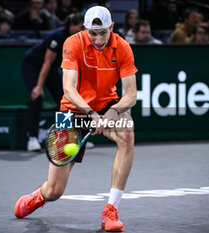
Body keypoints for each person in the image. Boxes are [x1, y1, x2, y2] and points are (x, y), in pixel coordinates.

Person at [14, 6, 138, 232]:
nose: (98, 39)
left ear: (111, 27)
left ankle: (111, 210)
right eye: (93, 33)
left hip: (106, 105)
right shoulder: (72, 43)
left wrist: (113, 112)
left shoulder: (122, 47)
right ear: (85, 28)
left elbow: (131, 94)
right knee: (55, 191)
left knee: (127, 132)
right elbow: (68, 89)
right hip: (72, 111)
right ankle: (39, 196)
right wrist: (92, 115)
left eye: (103, 33)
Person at [21, 12, 84, 151]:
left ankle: (66, 137)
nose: (82, 31)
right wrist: (38, 86)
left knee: (65, 100)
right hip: (33, 65)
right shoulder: (58, 36)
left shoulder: (78, 39)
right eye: (80, 28)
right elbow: (47, 62)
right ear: (72, 25)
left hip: (51, 68)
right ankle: (32, 138)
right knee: (37, 97)